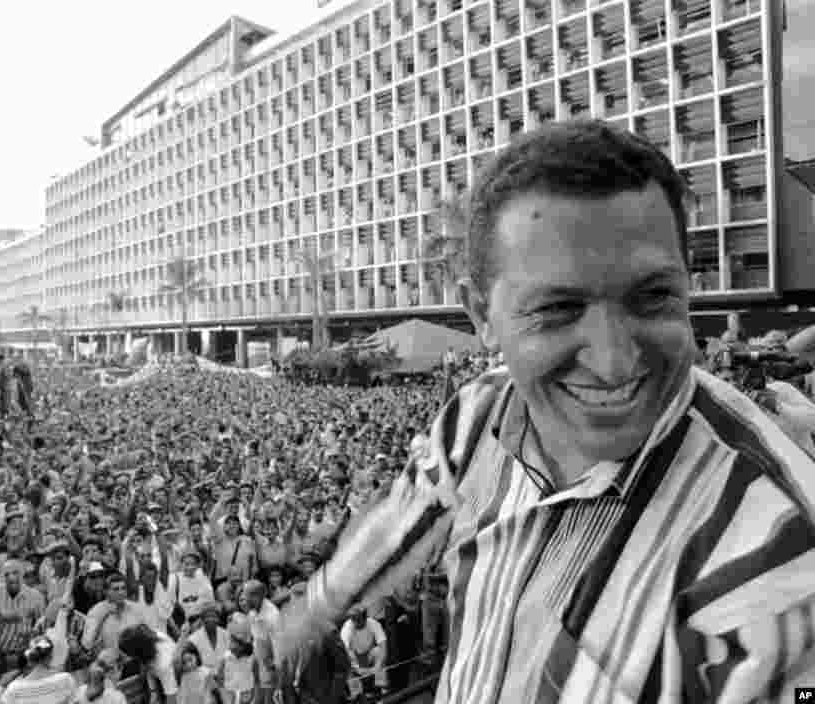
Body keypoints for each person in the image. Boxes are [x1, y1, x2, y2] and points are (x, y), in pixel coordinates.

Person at [277, 120, 815, 702]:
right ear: (481, 314)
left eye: (654, 296)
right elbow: (405, 517)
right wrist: (315, 609)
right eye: (558, 308)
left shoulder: (778, 550)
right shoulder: (478, 416)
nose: (613, 363)